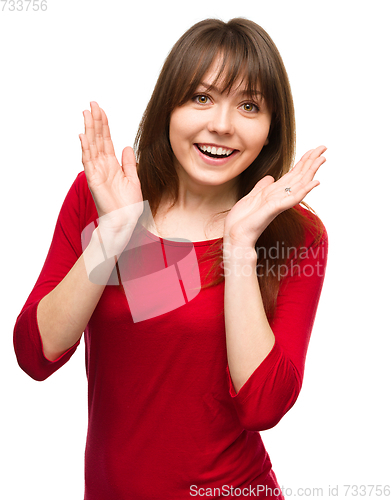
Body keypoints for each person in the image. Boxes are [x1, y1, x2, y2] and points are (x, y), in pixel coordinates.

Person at [13, 17, 328, 500]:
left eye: (248, 105)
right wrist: (112, 235)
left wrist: (239, 245)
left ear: (270, 130)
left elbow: (262, 407)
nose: (221, 124)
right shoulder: (102, 197)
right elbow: (37, 355)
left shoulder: (294, 234)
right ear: (168, 107)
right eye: (201, 97)